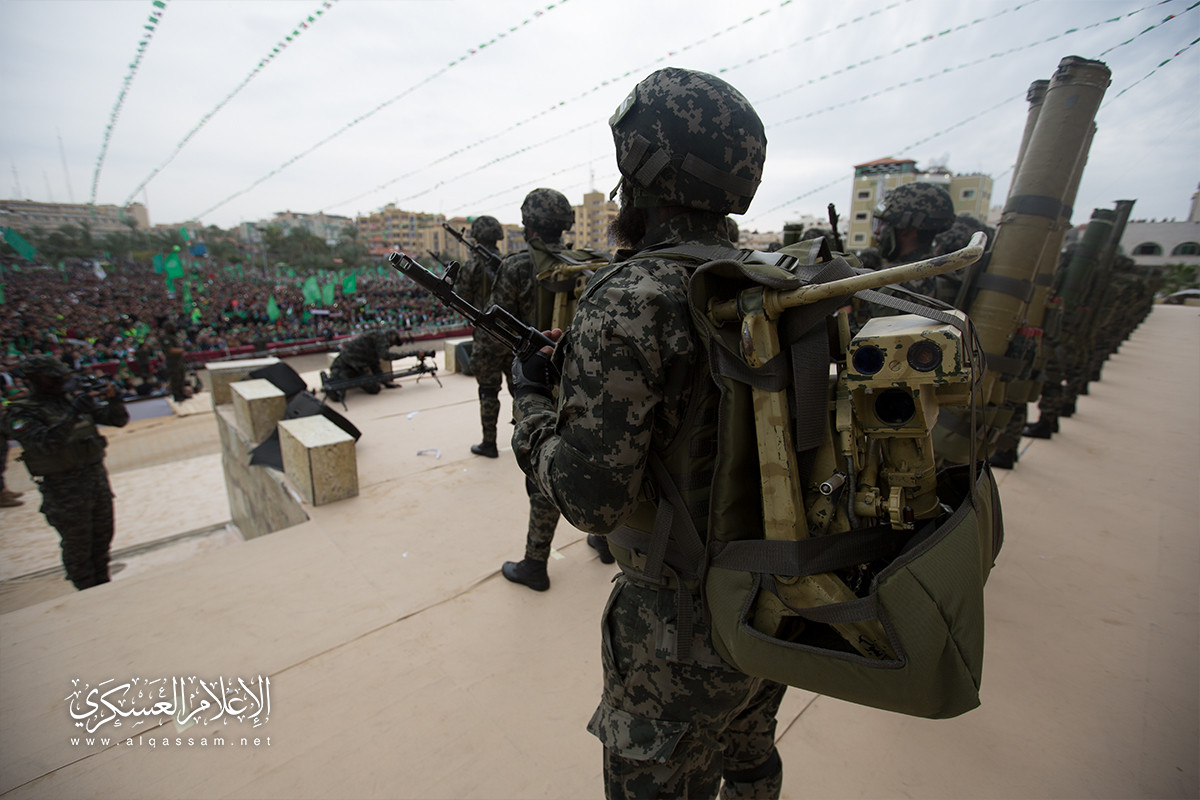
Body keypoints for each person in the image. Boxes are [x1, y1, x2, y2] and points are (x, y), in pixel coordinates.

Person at [511, 68, 785, 798]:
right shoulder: (770, 282)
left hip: (680, 634)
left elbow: (590, 502)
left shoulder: (633, 296)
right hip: (779, 603)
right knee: (751, 759)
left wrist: (532, 405)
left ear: (643, 173)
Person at [482, 188, 613, 592]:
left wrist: (503, 383)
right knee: (597, 460)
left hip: (542, 389)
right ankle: (605, 540)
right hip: (592, 382)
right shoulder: (588, 262)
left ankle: (535, 563)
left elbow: (492, 334)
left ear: (528, 225)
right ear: (565, 224)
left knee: (542, 470)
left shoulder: (519, 267)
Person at [3, 354, 129, 589]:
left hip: (96, 482)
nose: (61, 382)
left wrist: (114, 400)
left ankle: (103, 587)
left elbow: (118, 421)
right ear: (35, 380)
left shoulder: (70, 401)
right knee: (78, 547)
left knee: (102, 542)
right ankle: (85, 592)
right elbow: (44, 443)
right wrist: (72, 413)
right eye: (54, 378)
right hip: (64, 491)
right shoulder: (20, 413)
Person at [456, 215, 508, 458]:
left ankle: (489, 443)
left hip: (487, 338)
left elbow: (461, 300)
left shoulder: (471, 267)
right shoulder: (510, 263)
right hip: (512, 336)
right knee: (522, 388)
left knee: (488, 391)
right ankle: (529, 437)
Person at [326, 328, 409, 402]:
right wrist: (407, 354)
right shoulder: (379, 336)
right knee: (338, 395)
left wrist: (386, 384)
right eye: (393, 342)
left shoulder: (375, 348)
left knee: (375, 389)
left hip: (358, 370)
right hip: (345, 365)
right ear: (391, 336)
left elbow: (376, 367)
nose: (390, 345)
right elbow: (385, 356)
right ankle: (330, 380)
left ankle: (348, 381)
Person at [160, 321, 188, 402]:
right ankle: (177, 395)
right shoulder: (166, 338)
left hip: (179, 361)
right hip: (172, 362)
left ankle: (181, 393)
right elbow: (170, 350)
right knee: (175, 379)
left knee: (181, 377)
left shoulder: (174, 337)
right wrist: (181, 350)